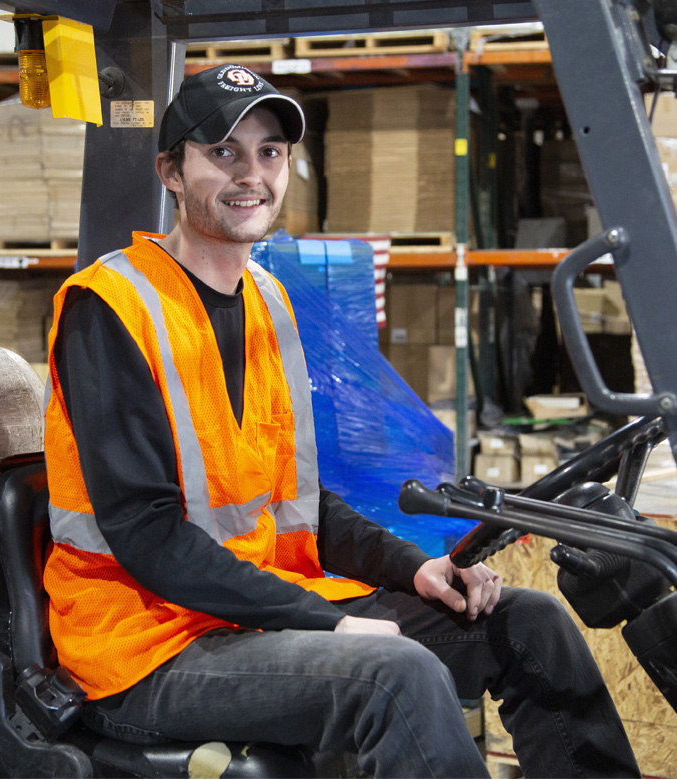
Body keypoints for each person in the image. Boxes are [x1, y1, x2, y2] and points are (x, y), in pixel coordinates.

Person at [42, 64, 640, 778]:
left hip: (249, 615)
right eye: (224, 152)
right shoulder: (111, 309)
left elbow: (300, 501)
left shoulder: (267, 299)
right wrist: (329, 622)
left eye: (270, 152)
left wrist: (416, 568)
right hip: (147, 644)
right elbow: (147, 535)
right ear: (172, 171)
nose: (251, 175)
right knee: (392, 672)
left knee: (529, 623)